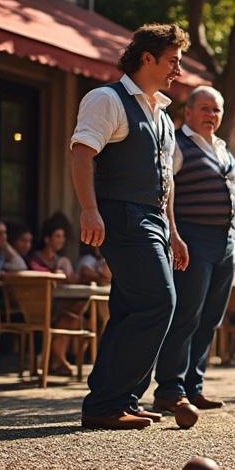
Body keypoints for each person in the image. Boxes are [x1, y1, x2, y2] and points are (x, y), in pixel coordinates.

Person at [69, 23, 189, 430]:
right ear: (147, 58)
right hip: (122, 216)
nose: (178, 70)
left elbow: (166, 179)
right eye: (172, 61)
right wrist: (89, 209)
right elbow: (82, 154)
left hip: (153, 220)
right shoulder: (107, 99)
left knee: (128, 310)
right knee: (159, 301)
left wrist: (173, 231)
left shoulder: (163, 115)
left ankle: (120, 399)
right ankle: (105, 403)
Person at [151, 85, 235, 413]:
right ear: (188, 112)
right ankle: (170, 389)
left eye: (216, 110)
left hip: (225, 241)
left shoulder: (224, 150)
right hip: (193, 238)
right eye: (205, 108)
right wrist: (173, 234)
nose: (211, 115)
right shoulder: (177, 145)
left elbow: (234, 200)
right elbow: (165, 191)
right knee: (186, 315)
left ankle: (194, 387)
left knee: (210, 318)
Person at [27, 216, 82, 376]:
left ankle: (55, 361)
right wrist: (55, 274)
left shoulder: (62, 261)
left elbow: (73, 280)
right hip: (37, 306)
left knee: (72, 317)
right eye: (58, 236)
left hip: (56, 304)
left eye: (63, 237)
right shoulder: (34, 259)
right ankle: (58, 361)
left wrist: (67, 273)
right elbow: (36, 275)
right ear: (47, 239)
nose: (61, 240)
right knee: (69, 317)